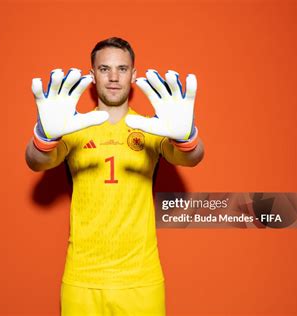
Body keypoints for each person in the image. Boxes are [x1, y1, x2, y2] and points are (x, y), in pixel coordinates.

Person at [26, 37, 204, 316]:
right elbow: (36, 161)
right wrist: (43, 136)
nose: (113, 77)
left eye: (122, 69)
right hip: (83, 279)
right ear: (92, 74)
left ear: (133, 75)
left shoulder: (151, 127)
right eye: (104, 68)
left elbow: (191, 158)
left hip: (141, 280)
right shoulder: (71, 127)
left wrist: (188, 137)